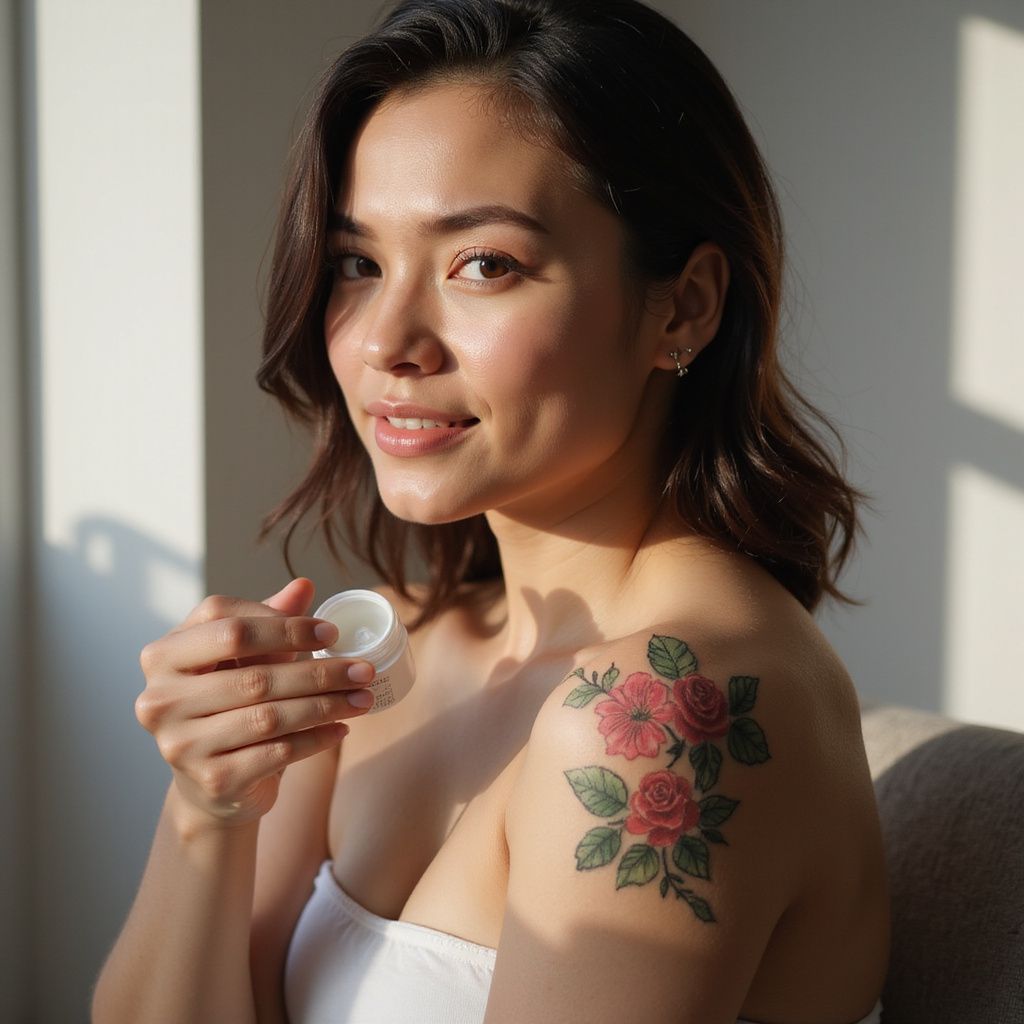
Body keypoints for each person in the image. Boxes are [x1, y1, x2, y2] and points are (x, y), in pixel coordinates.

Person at [92, 1, 890, 1021]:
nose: (388, 340)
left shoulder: (656, 720)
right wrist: (210, 809)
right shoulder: (398, 646)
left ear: (681, 306)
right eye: (358, 263)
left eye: (484, 264)